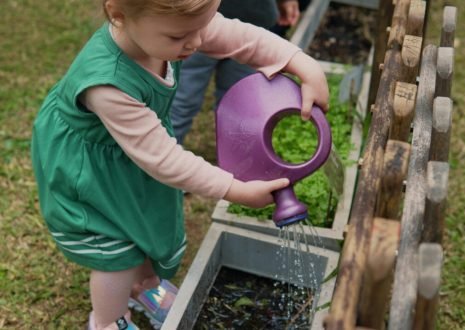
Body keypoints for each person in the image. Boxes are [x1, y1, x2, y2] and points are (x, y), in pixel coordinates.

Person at [30, 0, 329, 329]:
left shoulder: (174, 27)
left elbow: (242, 37)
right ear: (118, 14)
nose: (198, 42)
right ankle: (107, 320)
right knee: (114, 250)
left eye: (202, 27)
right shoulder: (108, 84)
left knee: (141, 220)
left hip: (133, 152)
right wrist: (235, 190)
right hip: (90, 170)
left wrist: (302, 64)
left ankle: (144, 285)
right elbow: (164, 159)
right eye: (180, 37)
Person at [170, 0, 301, 143]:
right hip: (198, 22)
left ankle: (232, 158)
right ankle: (163, 154)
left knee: (239, 110)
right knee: (180, 103)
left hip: (252, 22)